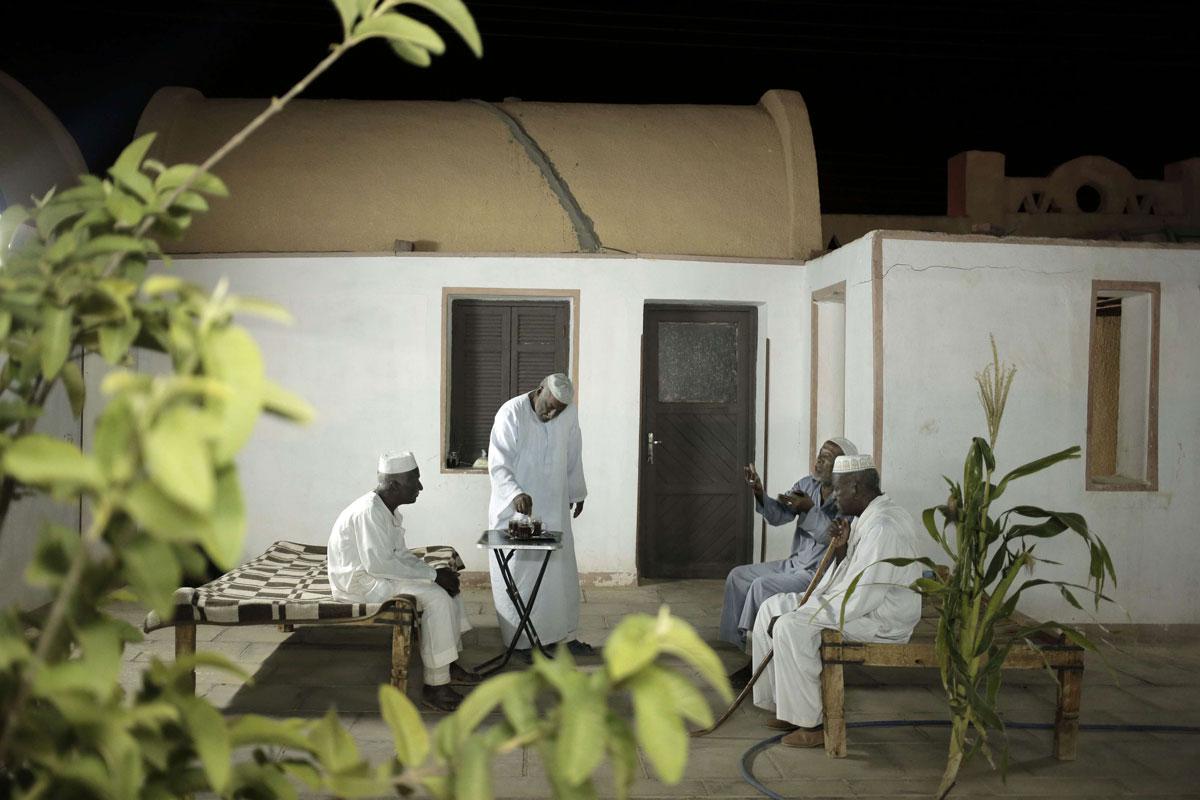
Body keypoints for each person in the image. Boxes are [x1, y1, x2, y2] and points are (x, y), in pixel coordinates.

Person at [750, 453, 922, 747]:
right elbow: (852, 574)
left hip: (881, 619)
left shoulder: (884, 526)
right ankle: (787, 706)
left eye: (838, 490)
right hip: (861, 604)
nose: (834, 499)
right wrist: (842, 550)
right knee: (771, 608)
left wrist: (805, 613)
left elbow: (861, 596)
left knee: (792, 626)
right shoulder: (867, 518)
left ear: (856, 488)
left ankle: (813, 725)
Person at [327, 451, 480, 712]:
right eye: (415, 480)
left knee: (448, 585)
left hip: (377, 574)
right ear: (395, 484)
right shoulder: (369, 512)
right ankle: (435, 687)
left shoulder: (387, 510)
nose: (420, 487)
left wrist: (434, 572)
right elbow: (380, 565)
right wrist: (432, 576)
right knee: (437, 597)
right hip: (360, 583)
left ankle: (446, 661)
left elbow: (400, 556)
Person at [720, 437, 858, 683]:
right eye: (820, 455)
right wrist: (759, 492)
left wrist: (807, 509)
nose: (818, 460)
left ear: (840, 466)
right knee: (738, 576)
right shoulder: (807, 484)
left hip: (817, 574)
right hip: (794, 564)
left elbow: (833, 538)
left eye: (826, 458)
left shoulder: (847, 496)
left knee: (761, 586)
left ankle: (755, 662)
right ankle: (742, 642)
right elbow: (778, 516)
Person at [487, 373, 592, 659]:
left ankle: (565, 636)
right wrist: (514, 493)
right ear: (538, 390)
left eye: (559, 409)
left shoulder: (569, 415)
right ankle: (520, 642)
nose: (552, 412)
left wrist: (576, 492)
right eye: (549, 405)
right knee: (521, 574)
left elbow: (573, 454)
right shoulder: (511, 413)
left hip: (554, 505)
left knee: (559, 573)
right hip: (516, 511)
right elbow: (498, 463)